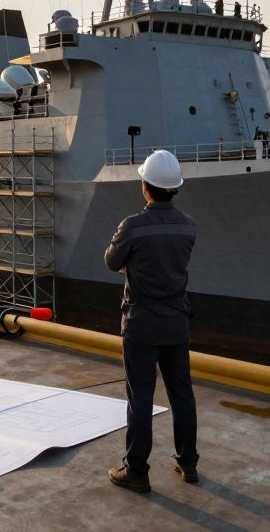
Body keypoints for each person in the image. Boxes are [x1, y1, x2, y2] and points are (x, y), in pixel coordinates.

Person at [104, 149, 199, 493]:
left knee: (140, 398)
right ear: (175, 189)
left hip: (142, 323)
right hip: (177, 321)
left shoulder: (132, 226)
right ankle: (188, 463)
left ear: (146, 186)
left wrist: (135, 264)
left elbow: (112, 262)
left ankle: (136, 470)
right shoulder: (188, 226)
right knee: (182, 395)